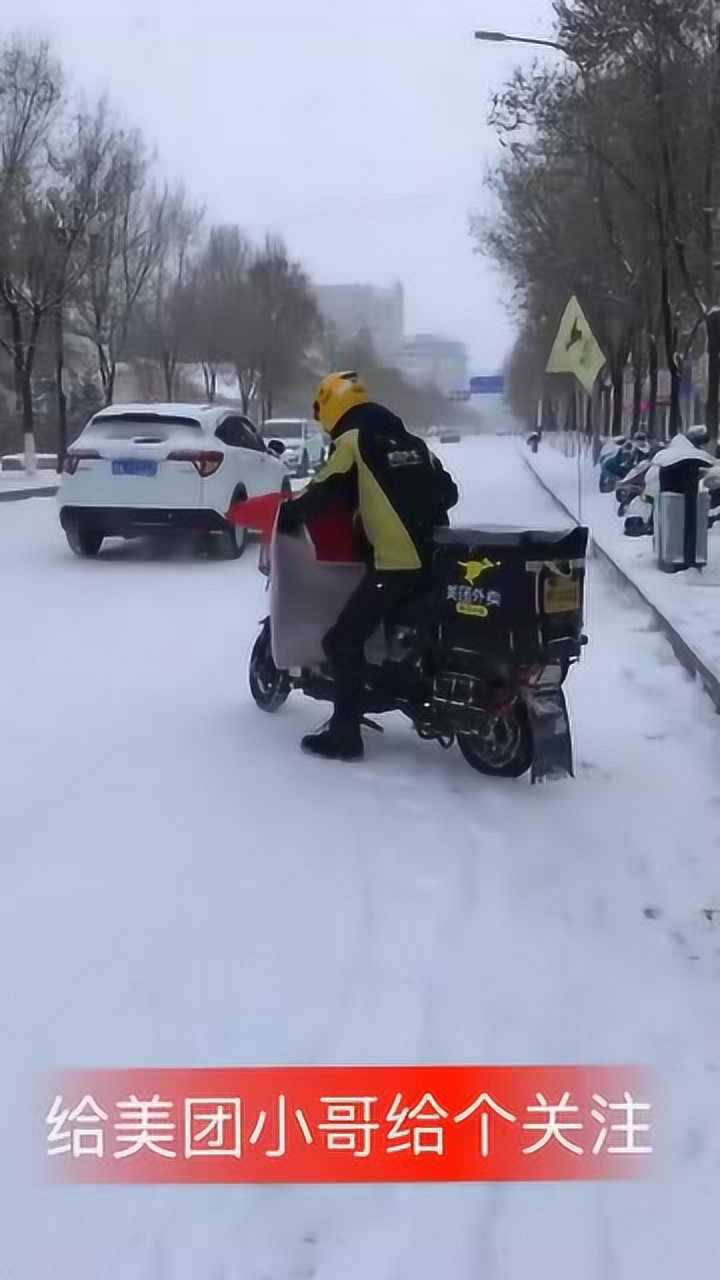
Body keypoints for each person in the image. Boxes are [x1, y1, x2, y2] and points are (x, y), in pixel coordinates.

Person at [278, 371, 459, 762]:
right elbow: (449, 492)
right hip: (439, 560)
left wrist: (289, 515)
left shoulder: (352, 440)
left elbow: (323, 492)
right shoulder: (414, 443)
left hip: (395, 565)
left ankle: (345, 736)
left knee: (341, 641)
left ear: (329, 406)